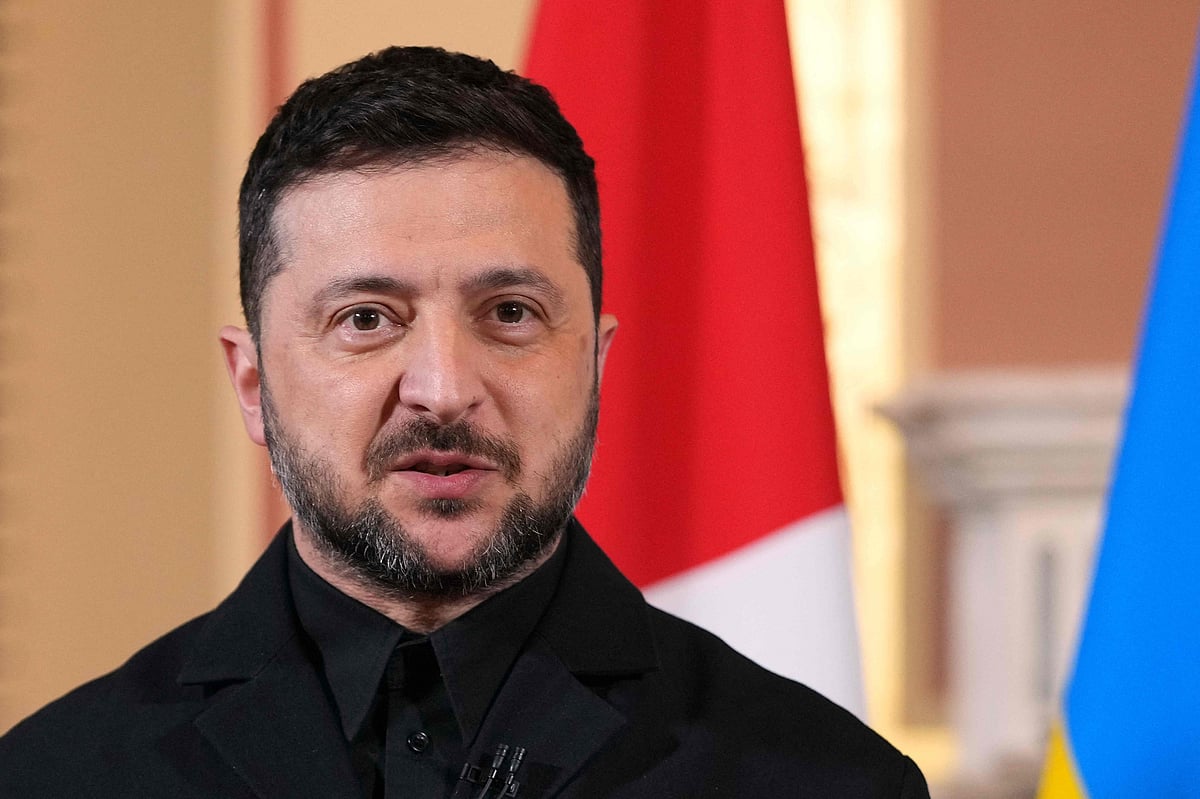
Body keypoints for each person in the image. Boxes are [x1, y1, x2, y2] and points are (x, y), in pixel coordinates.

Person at [0, 46, 929, 798]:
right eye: (367, 318)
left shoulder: (828, 782)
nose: (443, 389)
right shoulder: (51, 778)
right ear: (253, 382)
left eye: (510, 313)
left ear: (596, 365)